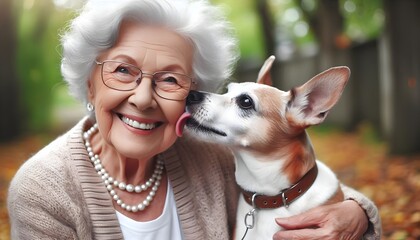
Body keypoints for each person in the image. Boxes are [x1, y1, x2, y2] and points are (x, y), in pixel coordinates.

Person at [7, 0, 381, 239]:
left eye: (170, 79)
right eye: (123, 70)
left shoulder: (215, 155)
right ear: (90, 82)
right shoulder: (44, 192)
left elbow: (298, 181)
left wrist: (358, 213)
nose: (142, 98)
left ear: (194, 91)